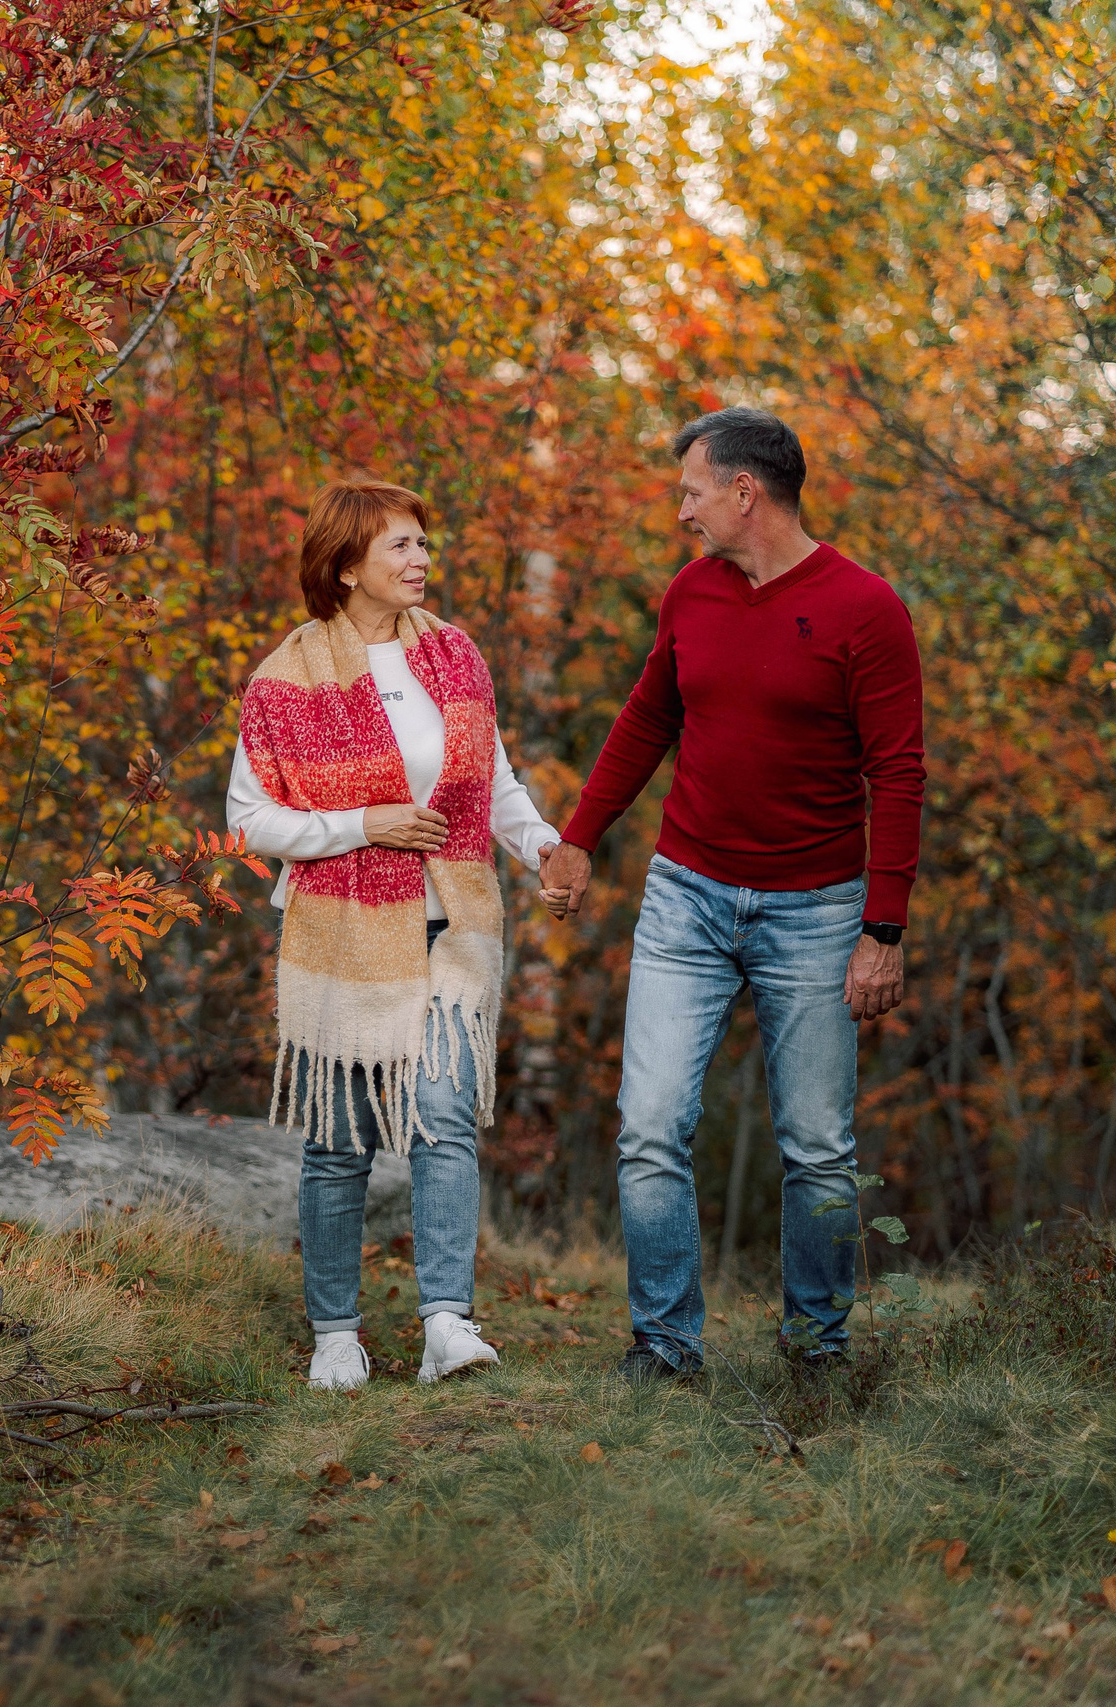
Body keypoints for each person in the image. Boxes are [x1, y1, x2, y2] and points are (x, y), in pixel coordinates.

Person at [539, 407, 924, 1382]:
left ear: (743, 493)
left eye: (691, 491)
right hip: (686, 898)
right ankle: (665, 1348)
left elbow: (900, 773)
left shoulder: (863, 610)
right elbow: (644, 720)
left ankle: (815, 1352)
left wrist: (883, 928)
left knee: (819, 1149)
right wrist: (578, 837)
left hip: (817, 910)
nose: (682, 512)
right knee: (650, 1128)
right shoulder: (691, 597)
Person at [229, 479, 564, 1391]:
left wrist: (543, 847)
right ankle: (336, 1335)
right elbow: (251, 819)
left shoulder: (454, 658)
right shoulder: (287, 677)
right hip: (340, 931)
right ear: (345, 567)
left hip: (451, 921)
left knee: (446, 1118)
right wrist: (361, 824)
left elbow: (493, 787)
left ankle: (446, 1324)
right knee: (339, 1140)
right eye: (401, 547)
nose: (422, 560)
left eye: (424, 543)